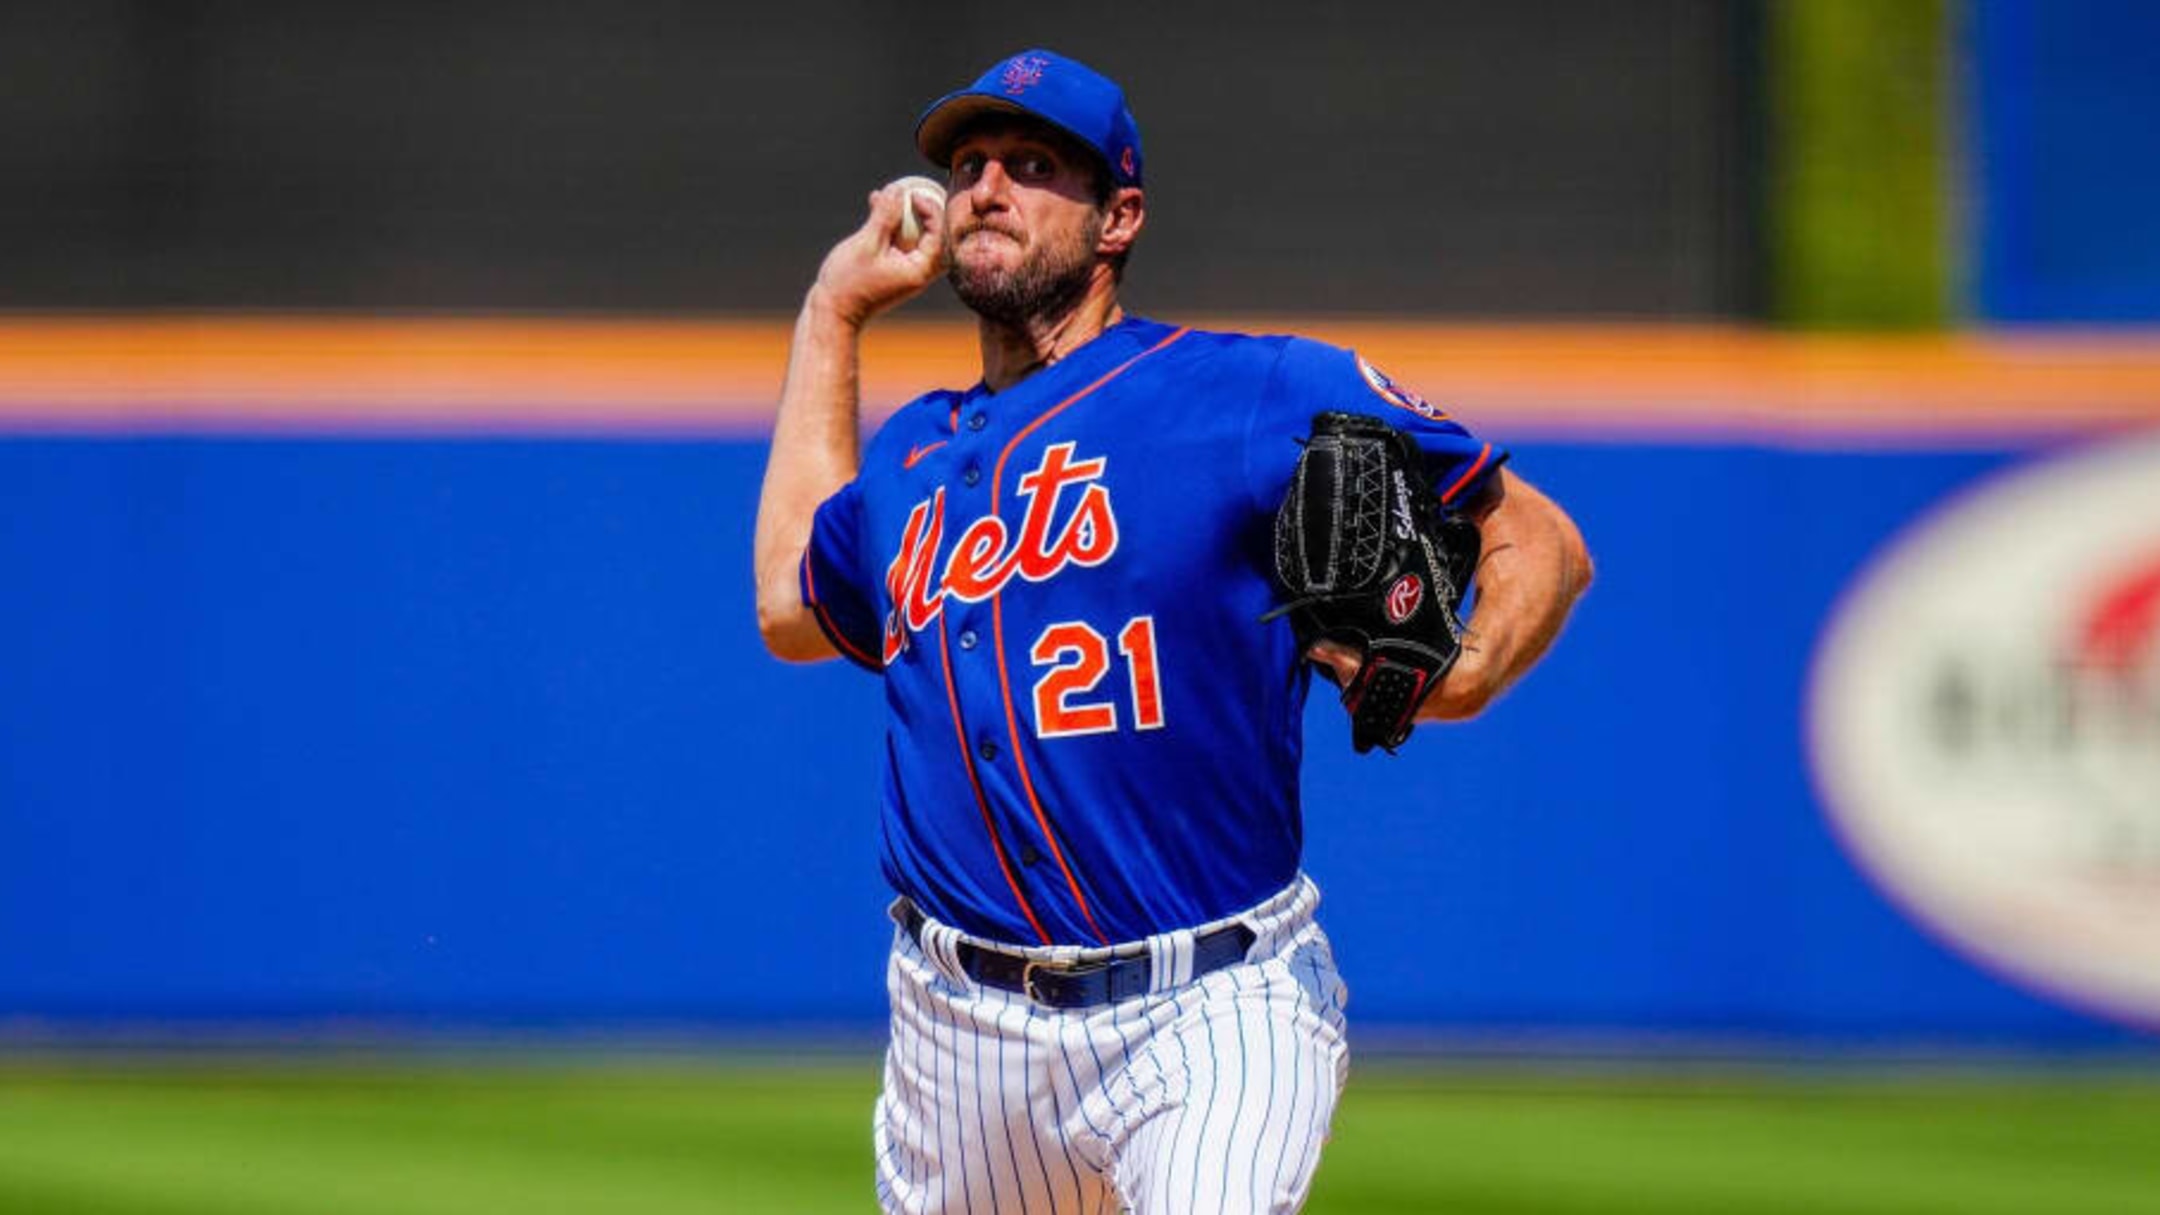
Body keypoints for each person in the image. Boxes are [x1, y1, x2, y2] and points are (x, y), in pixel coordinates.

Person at [754, 48, 1591, 1215]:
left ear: (1118, 219)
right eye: (970, 163)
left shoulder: (1254, 391)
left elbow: (1539, 535)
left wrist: (1464, 671)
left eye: (1034, 165)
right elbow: (793, 605)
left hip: (1213, 1007)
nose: (985, 186)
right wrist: (832, 309)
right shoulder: (911, 451)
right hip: (956, 1035)